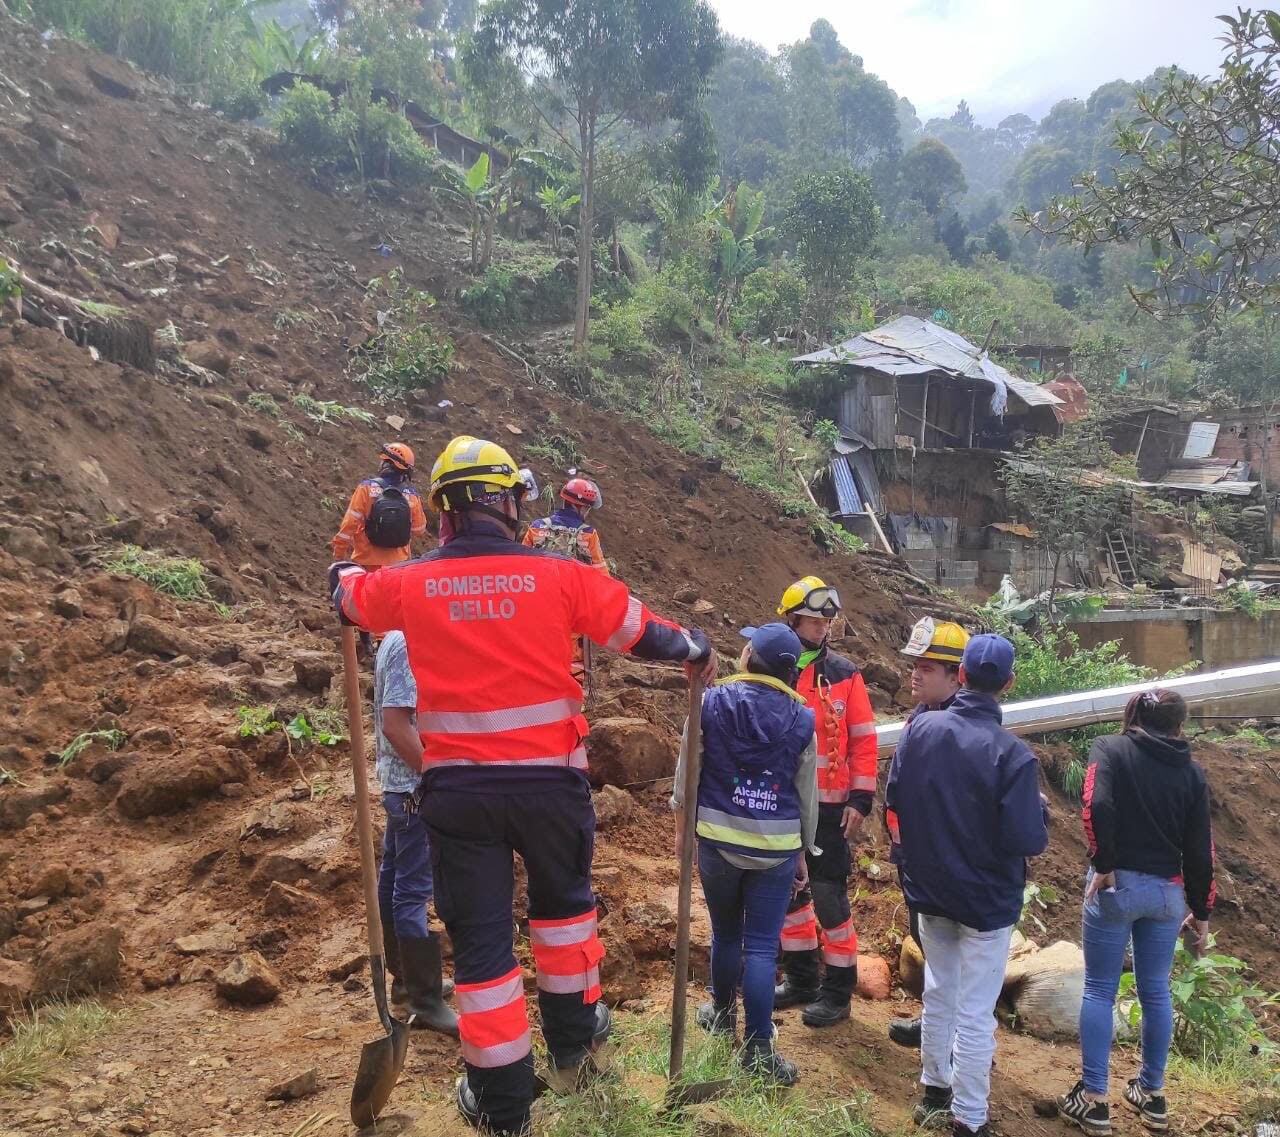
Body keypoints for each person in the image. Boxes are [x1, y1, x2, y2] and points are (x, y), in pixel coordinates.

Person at [332, 435, 715, 1137]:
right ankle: (574, 1055)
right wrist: (696, 649)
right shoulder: (560, 575)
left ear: (442, 514)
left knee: (482, 951)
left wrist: (344, 560)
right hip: (550, 789)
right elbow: (641, 630)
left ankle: (503, 1107)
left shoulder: (412, 583)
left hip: (460, 796)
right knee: (566, 923)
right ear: (510, 504)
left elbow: (350, 594)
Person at [885, 634, 1049, 1137]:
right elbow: (1027, 839)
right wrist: (1037, 812)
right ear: (1009, 683)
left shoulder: (918, 731)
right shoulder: (1013, 756)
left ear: (962, 675)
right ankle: (970, 1118)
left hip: (931, 892)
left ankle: (935, 1092)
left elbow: (895, 803)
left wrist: (911, 863)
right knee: (976, 1013)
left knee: (939, 991)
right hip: (986, 903)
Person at [1055, 689, 1215, 1137]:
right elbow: (1201, 847)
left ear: (1135, 714)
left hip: (1118, 885)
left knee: (1100, 989)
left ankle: (1094, 1100)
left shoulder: (1110, 748)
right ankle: (1152, 1095)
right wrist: (1201, 909)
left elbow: (1096, 804)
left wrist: (1103, 863)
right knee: (1156, 992)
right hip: (1167, 895)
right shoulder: (1192, 772)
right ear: (1180, 726)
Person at [671, 623, 818, 1085]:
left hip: (718, 841)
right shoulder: (802, 718)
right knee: (760, 947)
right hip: (775, 849)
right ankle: (758, 1049)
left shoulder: (710, 701)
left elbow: (686, 771)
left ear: (750, 655)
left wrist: (682, 831)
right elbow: (805, 792)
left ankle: (720, 1012)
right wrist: (803, 849)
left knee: (726, 936)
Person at [771, 576, 877, 1029]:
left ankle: (838, 990)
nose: (823, 627)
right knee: (789, 896)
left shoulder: (844, 674)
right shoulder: (772, 665)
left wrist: (862, 797)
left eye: (827, 619)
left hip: (831, 811)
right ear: (792, 619)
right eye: (815, 619)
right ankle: (801, 980)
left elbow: (863, 738)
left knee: (830, 898)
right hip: (780, 803)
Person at [885, 617, 970, 1050]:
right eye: (915, 664)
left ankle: (956, 1039)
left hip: (944, 862)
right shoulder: (925, 716)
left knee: (951, 950)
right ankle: (938, 1022)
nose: (914, 673)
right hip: (917, 859)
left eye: (928, 667)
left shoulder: (961, 732)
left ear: (959, 676)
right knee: (929, 944)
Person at [373, 631, 458, 1036]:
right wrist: (434, 774)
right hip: (412, 789)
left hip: (400, 785)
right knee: (411, 890)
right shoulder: (410, 641)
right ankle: (424, 999)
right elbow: (395, 723)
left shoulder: (393, 636)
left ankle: (407, 982)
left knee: (393, 878)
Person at [522, 477, 608, 690]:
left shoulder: (536, 528)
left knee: (536, 662)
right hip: (572, 613)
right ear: (581, 508)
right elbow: (602, 578)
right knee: (572, 666)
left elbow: (518, 566)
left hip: (536, 611)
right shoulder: (588, 535)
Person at [331, 442, 429, 568]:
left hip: (367, 563)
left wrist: (339, 554)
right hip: (397, 566)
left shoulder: (366, 488)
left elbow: (350, 524)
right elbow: (419, 530)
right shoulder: (411, 495)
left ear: (386, 464)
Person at [522, 477, 608, 572]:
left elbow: (522, 563)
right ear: (583, 508)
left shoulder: (536, 526)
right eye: (588, 508)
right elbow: (601, 573)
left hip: (540, 584)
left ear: (564, 500)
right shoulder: (588, 534)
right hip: (571, 586)